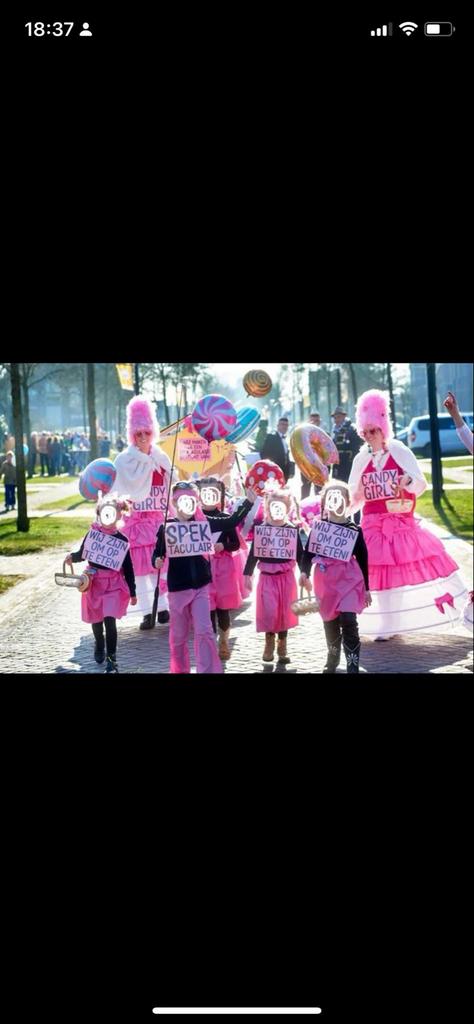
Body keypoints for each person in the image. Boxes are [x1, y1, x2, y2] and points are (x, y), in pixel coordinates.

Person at [348, 389, 468, 640]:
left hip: (400, 523)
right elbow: (354, 496)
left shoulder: (398, 450)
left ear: (383, 428)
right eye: (366, 432)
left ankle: (400, 621)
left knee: (402, 572)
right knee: (374, 575)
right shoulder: (361, 458)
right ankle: (387, 622)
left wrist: (406, 480)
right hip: (371, 524)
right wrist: (340, 507)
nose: (370, 436)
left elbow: (420, 483)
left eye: (374, 430)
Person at [113, 395, 175, 630]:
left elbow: (172, 485)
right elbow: (116, 489)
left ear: (153, 433)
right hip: (135, 523)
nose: (142, 438)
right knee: (139, 570)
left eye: (146, 433)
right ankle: (147, 612)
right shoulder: (124, 460)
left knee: (160, 566)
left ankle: (163, 607)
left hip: (157, 521)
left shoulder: (161, 457)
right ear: (131, 434)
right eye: (137, 433)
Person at [151, 482, 225, 674]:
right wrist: (156, 561)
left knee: (204, 630)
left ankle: (208, 670)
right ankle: (180, 670)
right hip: (178, 589)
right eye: (183, 501)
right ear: (175, 503)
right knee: (178, 636)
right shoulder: (166, 528)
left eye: (192, 501)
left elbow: (230, 522)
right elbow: (157, 554)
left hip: (201, 585)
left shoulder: (202, 525)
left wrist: (249, 503)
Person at [300, 481, 371, 673]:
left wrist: (367, 589)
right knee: (330, 621)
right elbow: (307, 554)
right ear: (325, 502)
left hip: (349, 580)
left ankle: (352, 663)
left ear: (347, 502)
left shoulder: (355, 530)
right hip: (326, 582)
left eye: (340, 497)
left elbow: (364, 560)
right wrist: (304, 572)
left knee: (349, 619)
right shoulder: (319, 529)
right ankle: (332, 658)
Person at [65, 495, 137, 673]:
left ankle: (112, 658)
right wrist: (71, 557)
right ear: (100, 513)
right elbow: (83, 553)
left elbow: (128, 568)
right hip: (94, 583)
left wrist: (133, 591)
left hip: (113, 584)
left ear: (119, 515)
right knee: (96, 620)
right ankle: (99, 643)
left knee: (110, 620)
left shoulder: (122, 540)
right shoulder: (93, 534)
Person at [243, 483, 305, 666]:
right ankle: (269, 642)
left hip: (286, 578)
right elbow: (253, 553)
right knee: (269, 612)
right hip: (267, 578)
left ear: (288, 508)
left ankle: (282, 645)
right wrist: (247, 575)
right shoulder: (262, 529)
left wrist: (305, 574)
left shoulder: (291, 530)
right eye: (274, 506)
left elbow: (300, 554)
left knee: (284, 613)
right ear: (268, 508)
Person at [196, 476, 253, 661]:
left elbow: (235, 544)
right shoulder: (195, 518)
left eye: (213, 492)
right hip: (203, 568)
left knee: (223, 609)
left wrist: (224, 546)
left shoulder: (225, 519)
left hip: (223, 569)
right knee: (208, 609)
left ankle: (224, 642)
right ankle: (211, 643)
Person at [331, 406, 363, 483]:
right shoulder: (335, 431)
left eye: (338, 417)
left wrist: (351, 459)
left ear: (344, 416)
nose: (336, 420)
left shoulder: (352, 429)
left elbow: (356, 447)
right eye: (335, 418)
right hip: (338, 465)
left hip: (349, 465)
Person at [261, 417, 294, 483]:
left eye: (286, 425)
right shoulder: (271, 437)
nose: (284, 427)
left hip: (284, 473)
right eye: (282, 424)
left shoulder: (286, 438)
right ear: (278, 426)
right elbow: (264, 454)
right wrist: (271, 468)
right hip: (274, 472)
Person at [301, 412, 323, 500]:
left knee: (320, 491)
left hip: (320, 467)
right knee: (305, 490)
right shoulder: (303, 434)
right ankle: (302, 511)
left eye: (317, 420)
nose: (315, 422)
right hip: (306, 466)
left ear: (319, 422)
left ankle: (321, 511)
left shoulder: (325, 434)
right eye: (312, 420)